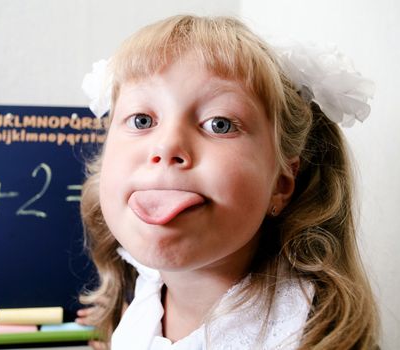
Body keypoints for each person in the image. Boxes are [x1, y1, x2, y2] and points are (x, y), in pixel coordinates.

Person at [76, 15, 379, 349]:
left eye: (219, 124)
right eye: (142, 119)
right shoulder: (138, 299)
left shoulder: (308, 336)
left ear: (281, 182)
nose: (166, 146)